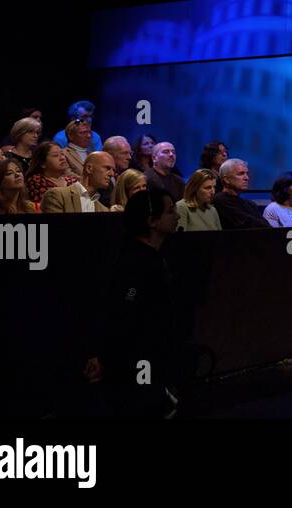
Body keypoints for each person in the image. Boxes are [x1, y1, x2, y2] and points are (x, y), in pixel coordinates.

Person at [100, 187, 181, 417]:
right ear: (151, 221)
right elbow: (125, 312)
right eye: (170, 211)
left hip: (155, 354)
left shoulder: (156, 257)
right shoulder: (136, 263)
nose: (177, 216)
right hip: (139, 358)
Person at [42, 150, 114, 213]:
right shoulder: (57, 196)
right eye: (107, 168)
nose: (112, 174)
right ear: (89, 168)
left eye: (113, 170)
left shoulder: (104, 210)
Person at [212, 158, 269, 229]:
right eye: (241, 173)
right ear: (226, 179)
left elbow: (266, 226)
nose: (247, 178)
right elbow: (247, 224)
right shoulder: (220, 200)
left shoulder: (250, 204)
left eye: (247, 174)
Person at [25, 141, 76, 208]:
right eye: (55, 155)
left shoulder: (72, 180)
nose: (62, 158)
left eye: (62, 154)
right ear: (42, 163)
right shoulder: (36, 181)